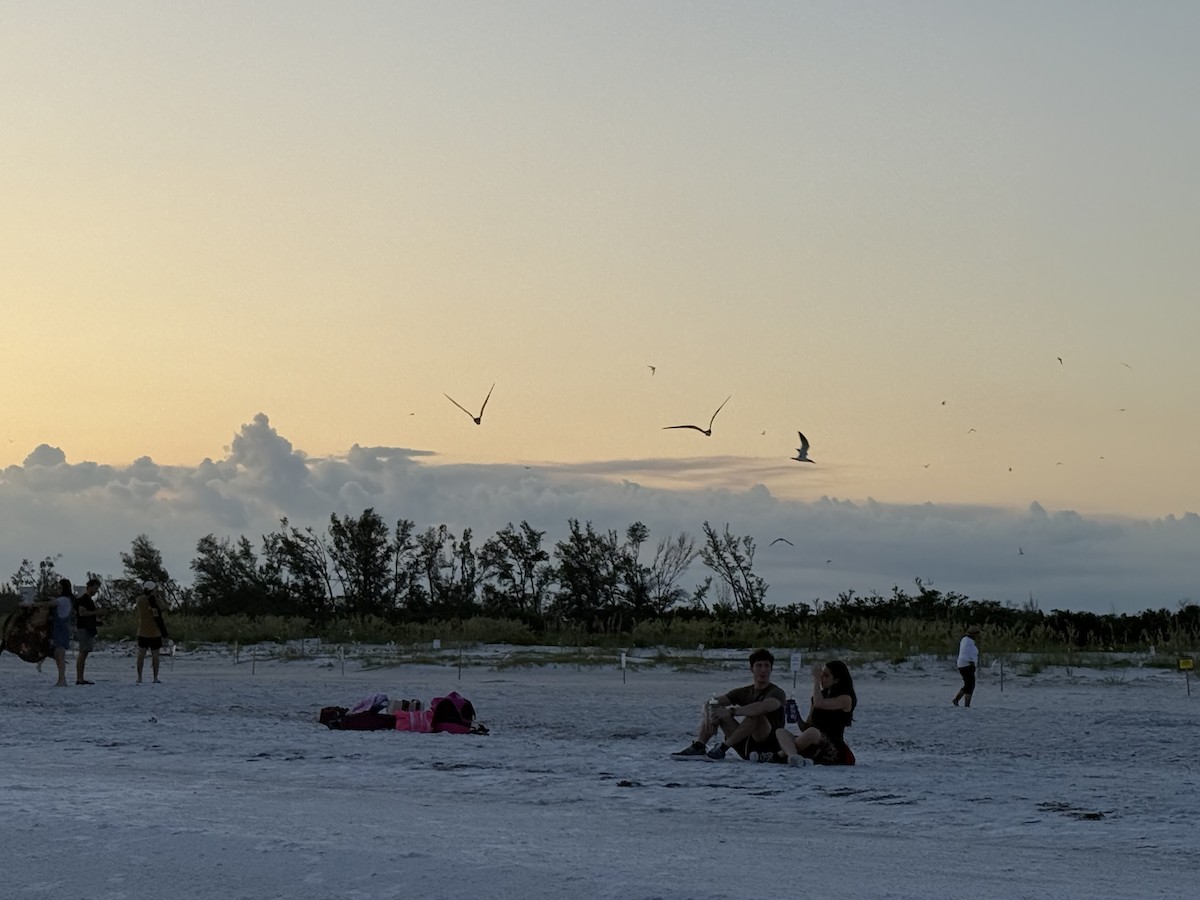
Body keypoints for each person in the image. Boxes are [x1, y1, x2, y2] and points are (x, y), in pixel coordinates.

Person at [672, 648, 786, 761]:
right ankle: (700, 745)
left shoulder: (776, 692)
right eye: (759, 666)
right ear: (752, 669)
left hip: (768, 747)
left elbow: (764, 707)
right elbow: (711, 702)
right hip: (745, 745)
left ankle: (723, 747)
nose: (763, 670)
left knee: (756, 713)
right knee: (716, 708)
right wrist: (709, 716)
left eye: (767, 666)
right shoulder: (745, 691)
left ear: (771, 669)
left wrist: (732, 711)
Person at [775, 660, 857, 766]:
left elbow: (820, 704)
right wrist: (797, 717)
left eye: (826, 676)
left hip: (832, 745)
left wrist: (816, 680)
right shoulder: (818, 697)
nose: (822, 679)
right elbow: (806, 727)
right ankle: (793, 756)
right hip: (812, 740)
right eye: (821, 676)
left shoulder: (845, 698)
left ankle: (781, 755)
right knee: (781, 732)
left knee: (812, 732)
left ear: (836, 680)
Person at [35, 578, 75, 687]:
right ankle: (61, 679)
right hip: (61, 630)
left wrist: (33, 604)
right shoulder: (66, 599)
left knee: (60, 655)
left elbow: (48, 604)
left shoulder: (63, 600)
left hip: (61, 630)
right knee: (58, 655)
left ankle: (62, 679)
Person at [135, 580, 169, 684]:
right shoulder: (156, 601)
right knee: (155, 655)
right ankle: (155, 677)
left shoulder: (139, 600)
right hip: (155, 632)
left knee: (141, 654)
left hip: (142, 631)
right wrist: (158, 597)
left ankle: (139, 677)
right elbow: (164, 607)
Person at [74, 578, 103, 684]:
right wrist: (95, 613)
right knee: (82, 652)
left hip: (88, 628)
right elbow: (82, 613)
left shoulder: (89, 600)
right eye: (95, 588)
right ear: (89, 587)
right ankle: (79, 678)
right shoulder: (83, 600)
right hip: (83, 628)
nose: (96, 590)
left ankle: (81, 677)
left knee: (84, 653)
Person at [952, 625, 981, 707]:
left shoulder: (965, 640)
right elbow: (969, 653)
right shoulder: (969, 642)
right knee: (970, 684)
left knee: (968, 684)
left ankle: (958, 700)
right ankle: (964, 703)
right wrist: (972, 662)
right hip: (967, 664)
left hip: (962, 664)